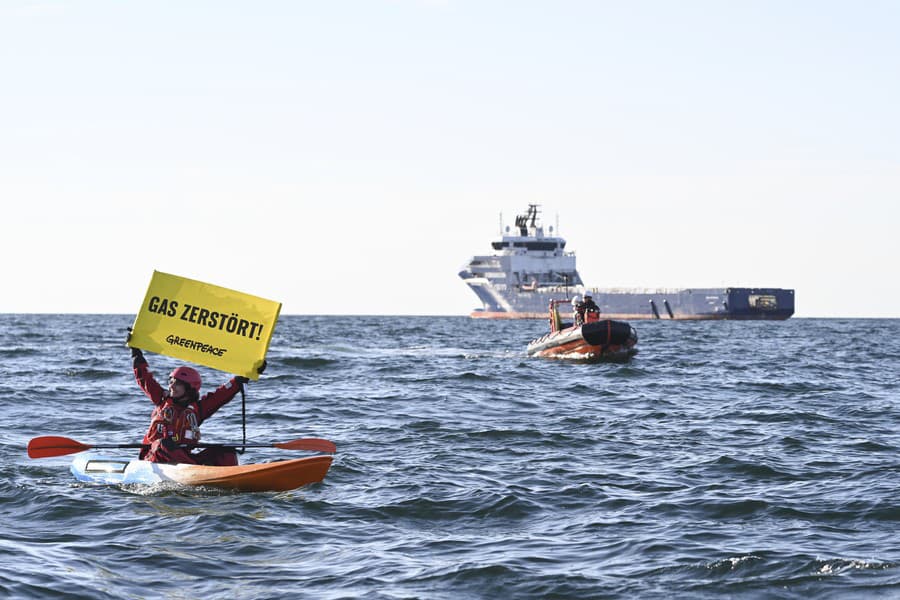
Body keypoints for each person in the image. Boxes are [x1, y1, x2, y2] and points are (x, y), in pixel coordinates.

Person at [128, 340, 264, 466]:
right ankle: (194, 472)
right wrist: (136, 352)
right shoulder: (161, 399)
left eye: (177, 384)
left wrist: (247, 375)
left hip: (184, 460)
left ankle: (230, 478)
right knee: (164, 444)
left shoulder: (198, 409)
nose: (171, 387)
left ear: (189, 389)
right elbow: (144, 379)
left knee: (226, 451)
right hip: (154, 458)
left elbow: (221, 394)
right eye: (170, 382)